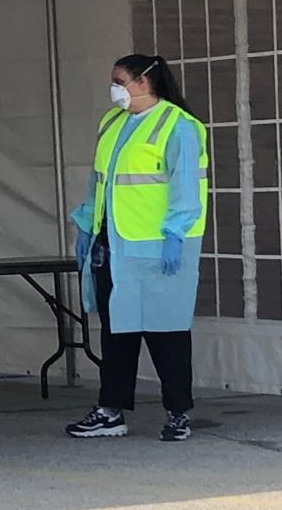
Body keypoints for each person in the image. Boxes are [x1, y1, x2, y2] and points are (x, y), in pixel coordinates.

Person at [66, 54, 208, 442]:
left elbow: (186, 187)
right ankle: (111, 410)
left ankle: (178, 412)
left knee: (167, 333)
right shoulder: (111, 123)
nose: (113, 88)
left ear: (143, 82)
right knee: (117, 332)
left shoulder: (178, 125)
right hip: (114, 245)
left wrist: (176, 233)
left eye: (118, 80)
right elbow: (100, 182)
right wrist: (87, 223)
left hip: (160, 247)